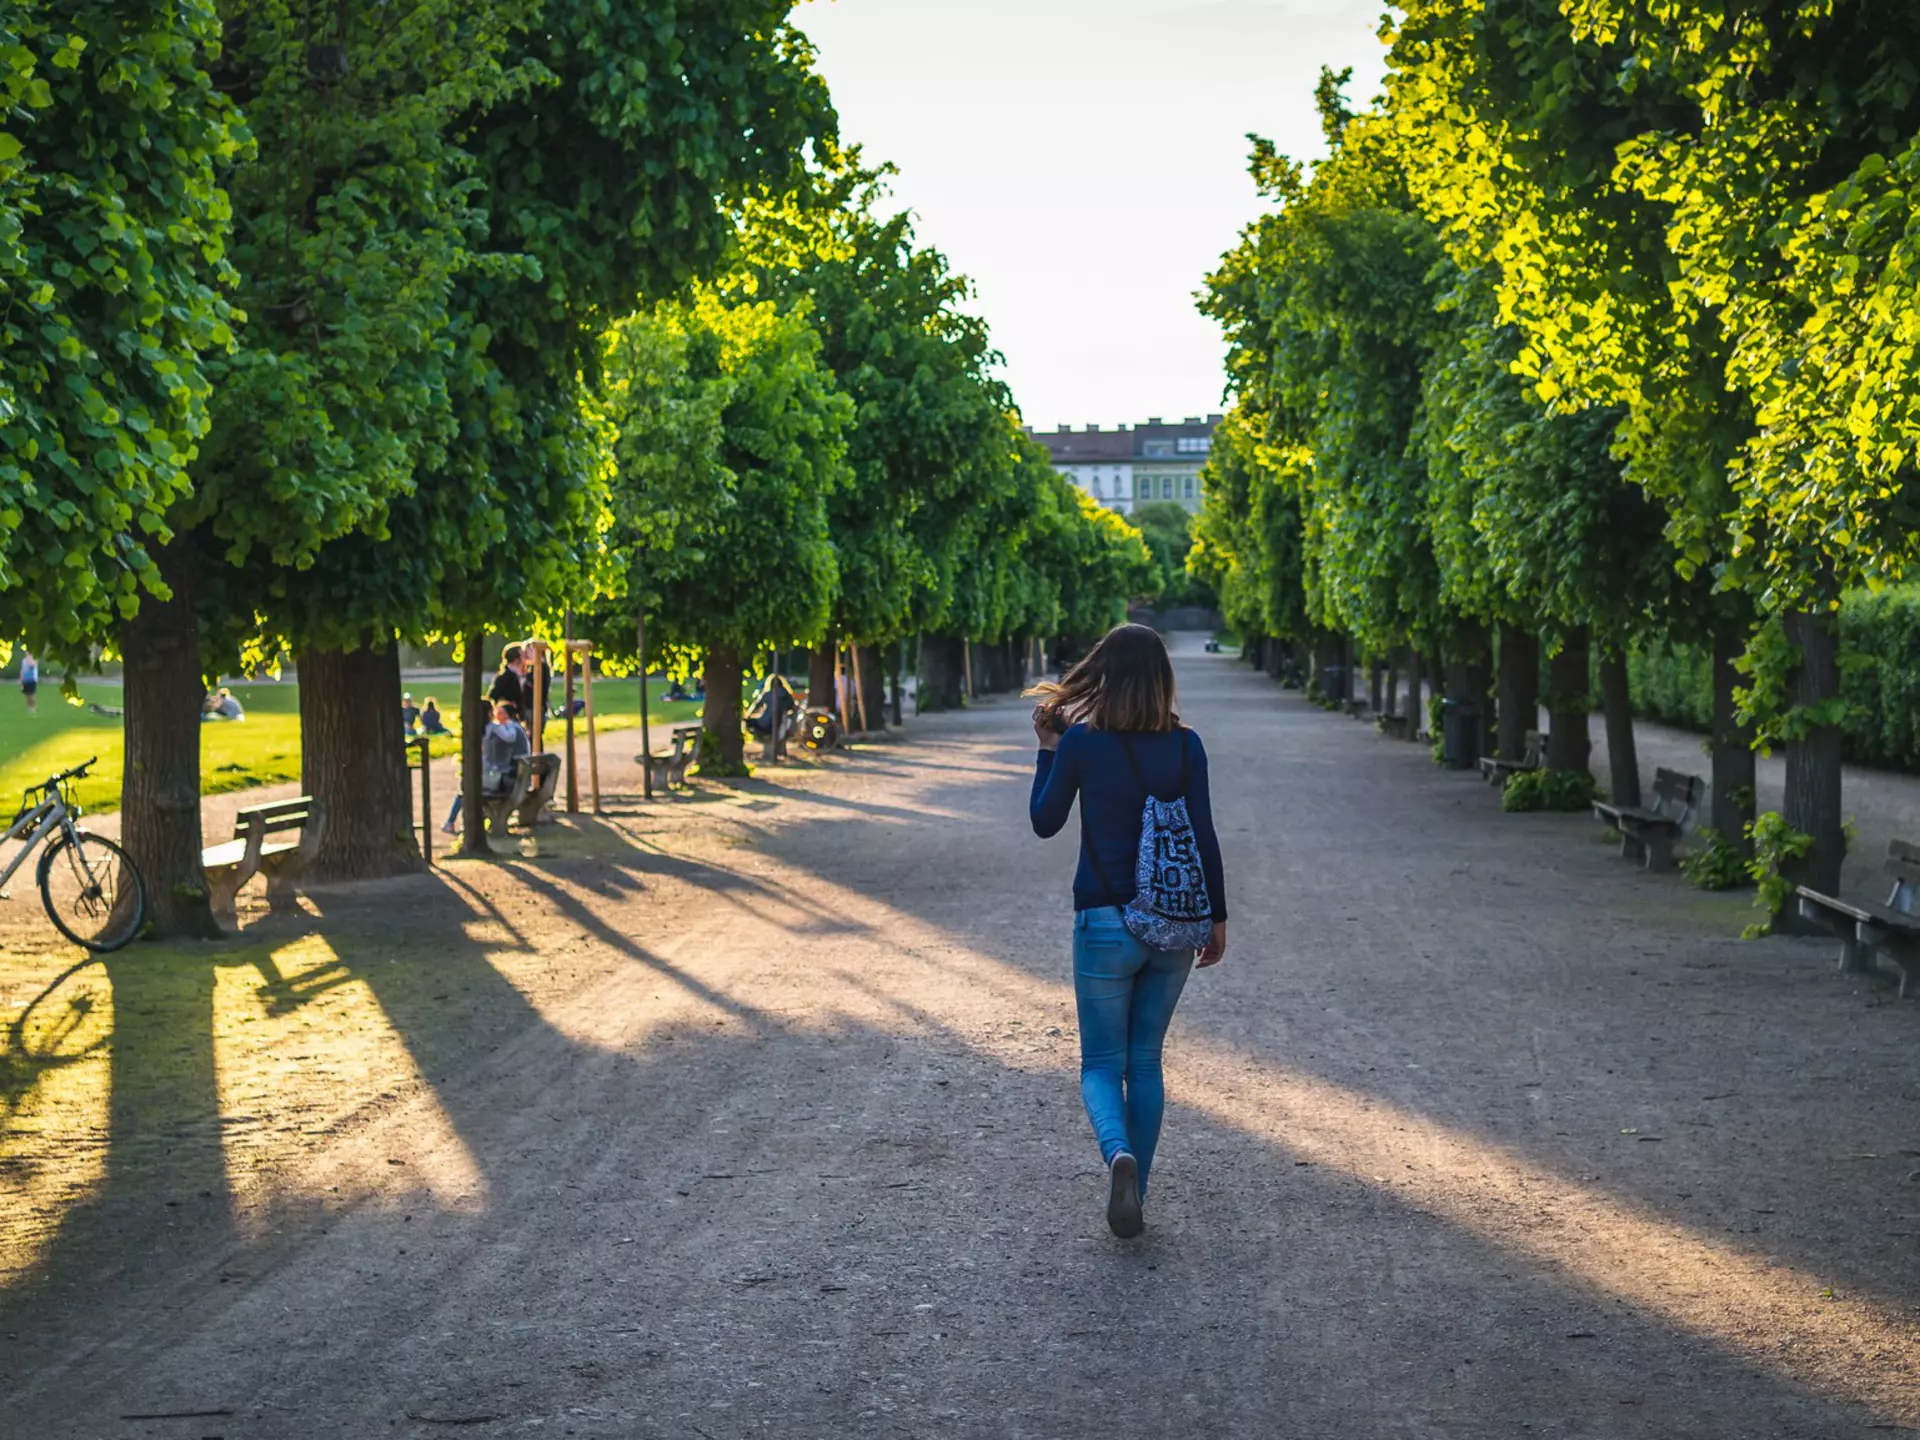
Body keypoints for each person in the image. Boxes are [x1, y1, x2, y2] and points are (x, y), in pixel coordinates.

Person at [1026, 623, 1227, 1240]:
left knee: (1099, 1065)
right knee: (1145, 1062)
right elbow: (1205, 835)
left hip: (1104, 922)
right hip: (1171, 925)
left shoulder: (1084, 741)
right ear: (1163, 677)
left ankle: (1118, 1155)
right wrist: (1216, 919)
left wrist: (1049, 749)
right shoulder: (1187, 745)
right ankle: (1136, 1192)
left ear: (1103, 675)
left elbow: (1043, 822)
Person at [443, 700, 529, 833]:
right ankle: (458, 822)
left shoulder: (476, 728)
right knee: (469, 790)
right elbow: (510, 738)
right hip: (495, 777)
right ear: (489, 712)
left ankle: (452, 822)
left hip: (489, 776)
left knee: (465, 791)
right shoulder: (494, 728)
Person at [745, 673, 798, 740]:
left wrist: (747, 716)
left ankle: (760, 739)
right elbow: (792, 707)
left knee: (749, 722)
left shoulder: (768, 694)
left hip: (765, 725)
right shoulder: (786, 695)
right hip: (780, 726)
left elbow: (757, 705)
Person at [18, 649, 36, 715]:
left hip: (31, 679)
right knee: (27, 694)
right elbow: (22, 670)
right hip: (25, 680)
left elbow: (32, 665)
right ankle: (29, 707)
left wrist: (29, 658)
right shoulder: (23, 661)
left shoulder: (33, 659)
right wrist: (21, 680)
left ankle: (33, 707)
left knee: (31, 694)